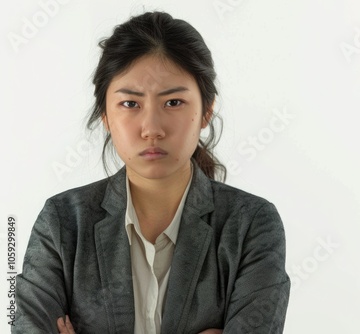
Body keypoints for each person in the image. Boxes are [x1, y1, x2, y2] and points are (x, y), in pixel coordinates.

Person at [13, 11, 290, 334]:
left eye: (173, 102)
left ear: (206, 111)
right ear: (105, 114)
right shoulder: (62, 222)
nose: (152, 129)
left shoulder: (251, 224)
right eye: (130, 104)